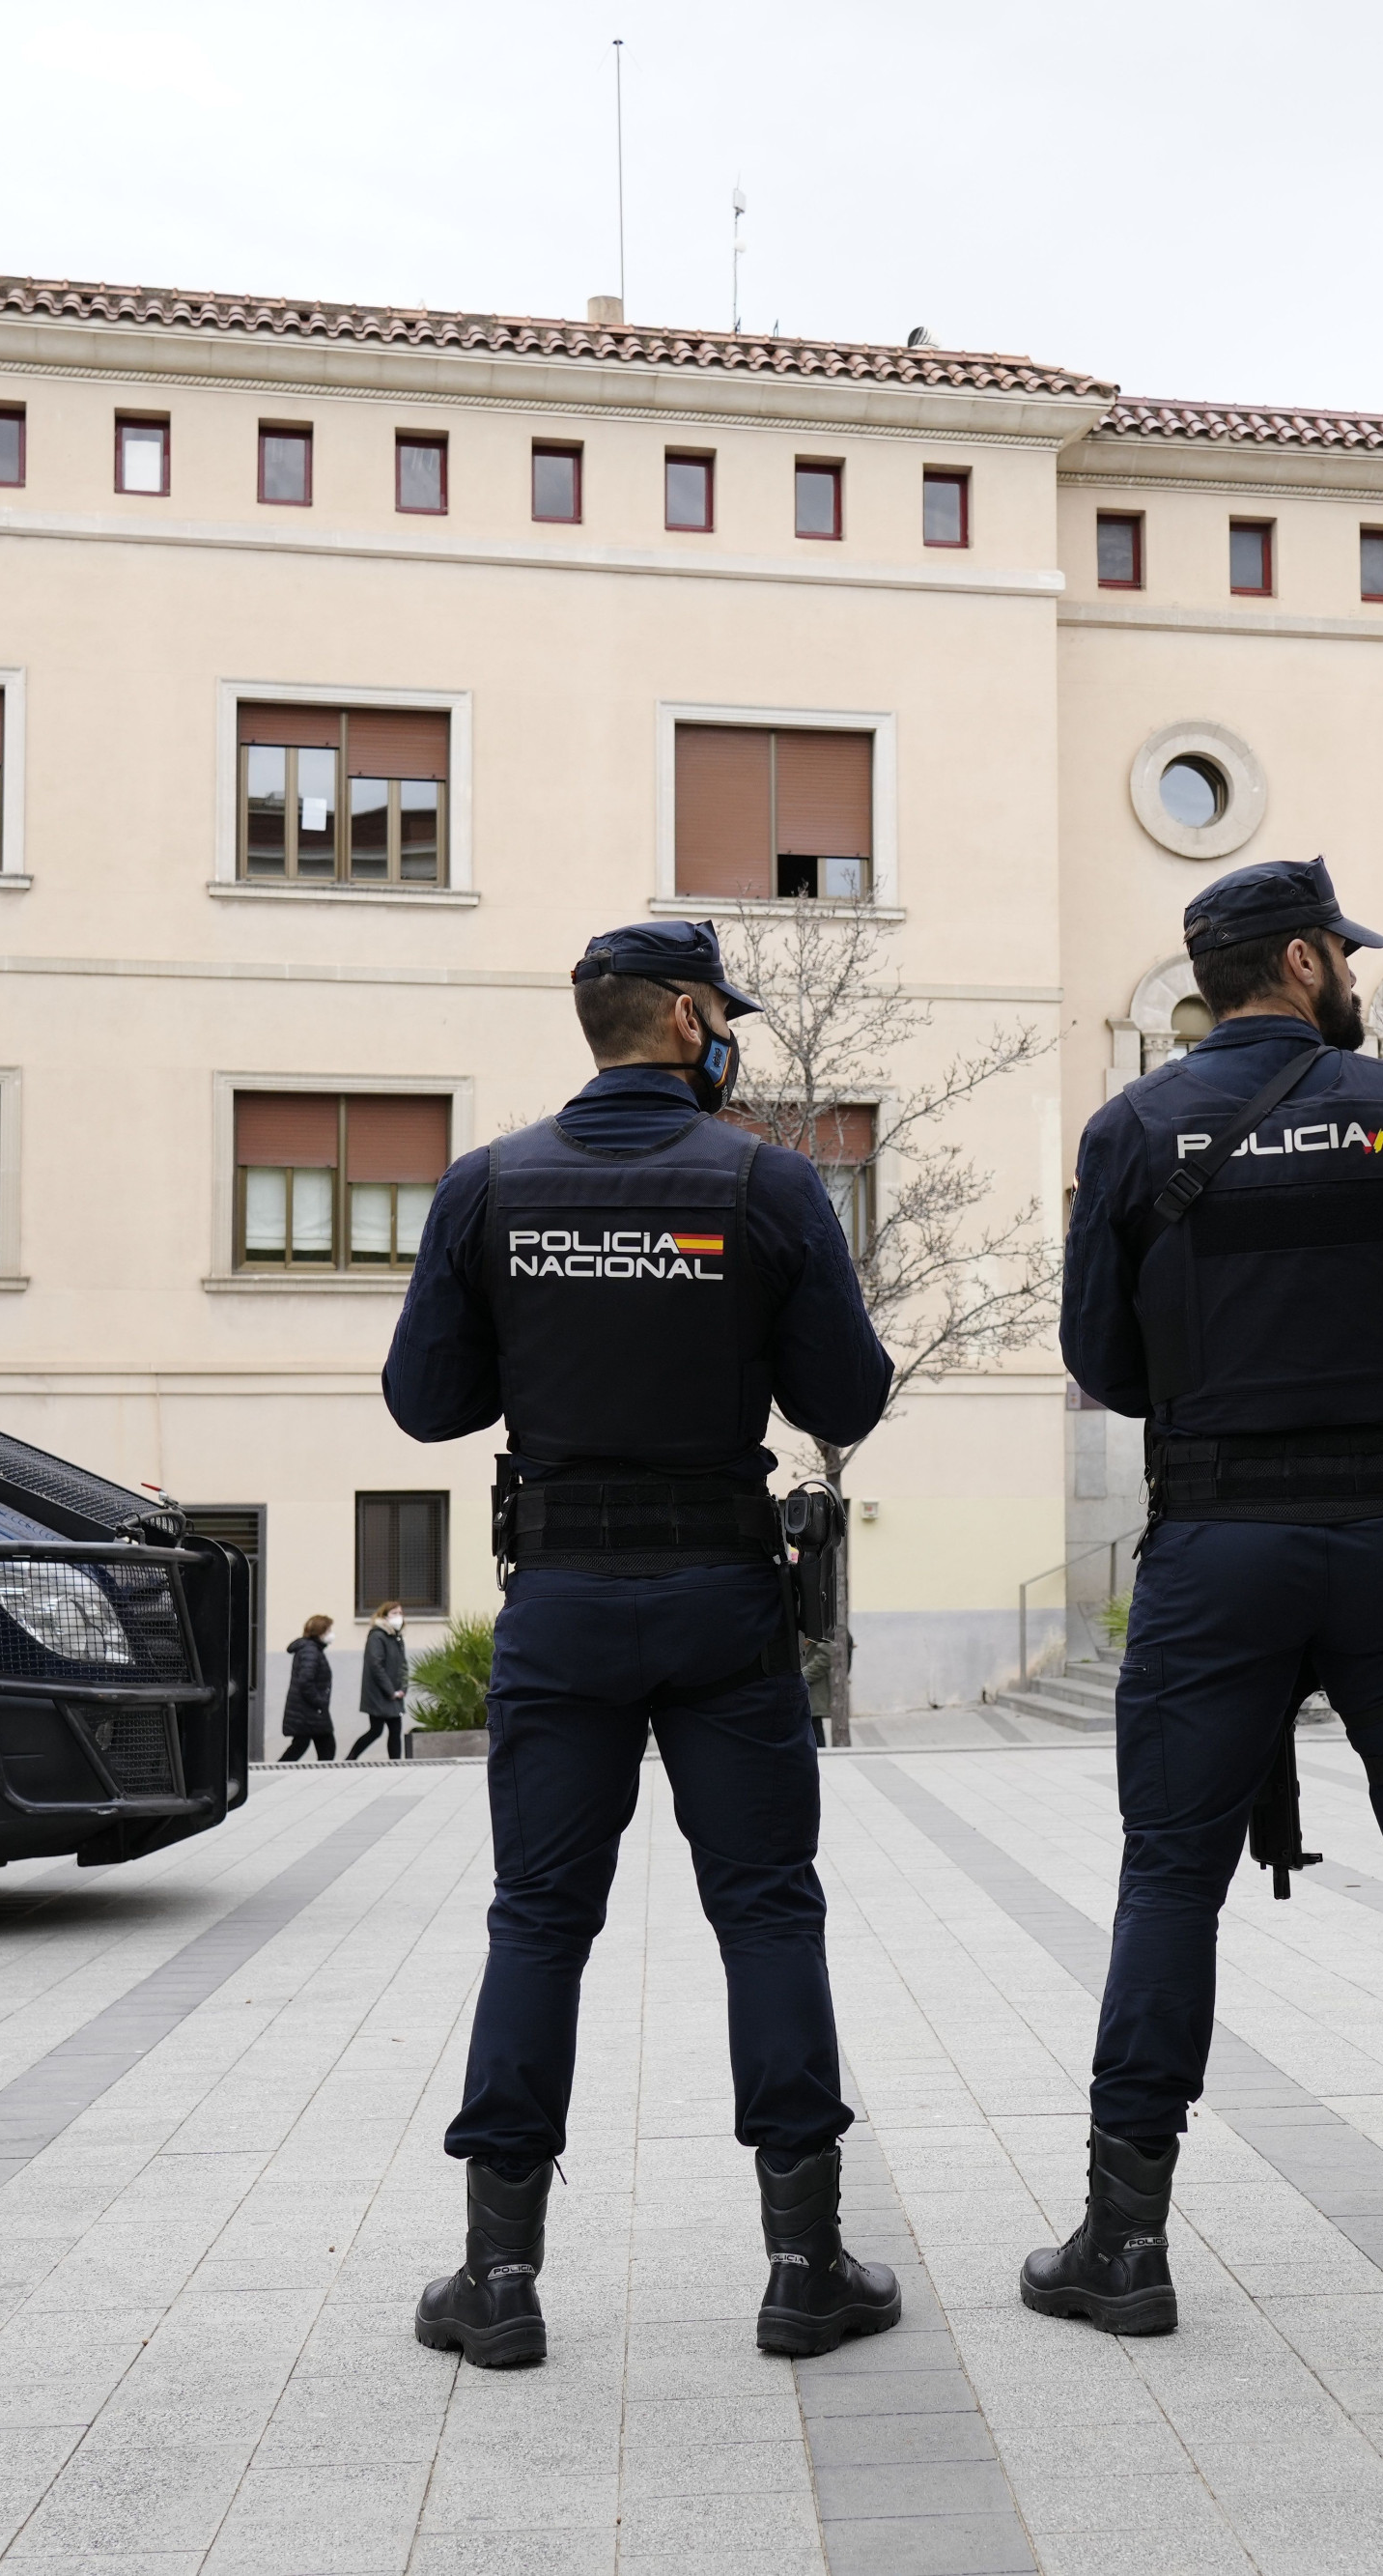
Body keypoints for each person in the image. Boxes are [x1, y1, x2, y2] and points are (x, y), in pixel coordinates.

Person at [1033, 856, 1383, 2339]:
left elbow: (1106, 1359)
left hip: (1218, 1548)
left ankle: (1124, 2242)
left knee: (1168, 1880)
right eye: (1343, 946)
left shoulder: (1132, 1127)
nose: (1358, 969)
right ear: (1292, 960)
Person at [381, 916, 900, 2371]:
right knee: (768, 1910)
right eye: (721, 1010)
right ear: (684, 1018)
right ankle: (805, 2265)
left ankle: (499, 2279)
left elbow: (426, 1405)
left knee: (540, 1918)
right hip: (722, 1600)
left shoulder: (487, 1186)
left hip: (560, 1599)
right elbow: (844, 1392)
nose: (729, 1030)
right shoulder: (766, 1182)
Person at [347, 1602, 413, 1761]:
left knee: (395, 1729)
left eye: (400, 1612)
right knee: (376, 1730)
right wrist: (390, 1691)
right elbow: (376, 1665)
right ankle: (351, 1758)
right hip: (379, 1694)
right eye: (394, 1613)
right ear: (384, 1616)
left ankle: (395, 1762)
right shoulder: (377, 1636)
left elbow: (403, 1665)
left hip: (395, 1693)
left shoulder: (397, 1637)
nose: (399, 1616)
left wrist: (403, 1687)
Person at [278, 1613, 339, 1762]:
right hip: (309, 1710)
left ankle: (279, 1769)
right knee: (322, 1745)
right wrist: (319, 1702)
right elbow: (305, 1680)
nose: (331, 1634)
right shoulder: (310, 1651)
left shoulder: (311, 1649)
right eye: (328, 1630)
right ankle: (276, 1770)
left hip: (307, 1710)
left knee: (308, 1744)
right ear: (320, 1632)